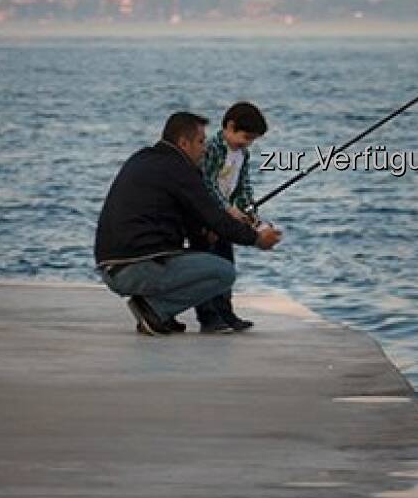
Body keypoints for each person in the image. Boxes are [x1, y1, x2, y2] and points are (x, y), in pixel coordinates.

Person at [94, 111, 282, 336]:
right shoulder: (180, 170)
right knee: (223, 272)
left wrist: (204, 230)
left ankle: (160, 313)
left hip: (114, 266)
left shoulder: (144, 157)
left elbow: (188, 215)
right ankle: (154, 310)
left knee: (187, 253)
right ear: (183, 143)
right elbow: (214, 215)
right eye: (201, 142)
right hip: (136, 267)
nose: (204, 149)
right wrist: (257, 238)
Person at [194, 100, 268, 332]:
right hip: (207, 217)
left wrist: (250, 214)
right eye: (246, 137)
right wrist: (227, 208)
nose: (248, 143)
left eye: (253, 140)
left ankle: (226, 313)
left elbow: (244, 187)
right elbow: (206, 183)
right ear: (230, 126)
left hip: (227, 218)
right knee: (204, 265)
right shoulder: (213, 148)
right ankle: (208, 316)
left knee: (226, 265)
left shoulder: (242, 155)